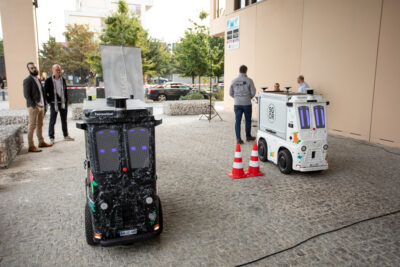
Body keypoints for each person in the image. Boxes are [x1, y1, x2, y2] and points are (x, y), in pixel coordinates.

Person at [23, 62, 52, 152]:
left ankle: (41, 142)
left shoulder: (37, 79)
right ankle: (31, 146)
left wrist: (44, 104)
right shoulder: (27, 80)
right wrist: (34, 105)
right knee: (32, 126)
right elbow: (26, 95)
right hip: (34, 107)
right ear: (28, 70)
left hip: (41, 106)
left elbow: (41, 93)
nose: (34, 69)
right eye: (31, 68)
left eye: (34, 67)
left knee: (40, 125)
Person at [45, 64, 74, 144]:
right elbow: (45, 93)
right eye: (56, 69)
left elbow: (65, 91)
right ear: (52, 70)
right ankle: (51, 137)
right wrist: (49, 102)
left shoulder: (62, 80)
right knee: (52, 120)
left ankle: (66, 135)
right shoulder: (48, 80)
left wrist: (66, 101)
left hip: (63, 103)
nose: (58, 71)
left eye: (59, 69)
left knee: (64, 120)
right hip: (54, 103)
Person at [229, 65, 256, 144]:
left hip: (237, 104)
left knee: (237, 121)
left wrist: (236, 97)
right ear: (246, 71)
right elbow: (253, 92)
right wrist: (248, 97)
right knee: (248, 121)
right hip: (247, 103)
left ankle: (238, 139)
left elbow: (230, 93)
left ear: (239, 71)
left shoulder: (234, 81)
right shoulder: (249, 80)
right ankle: (248, 136)